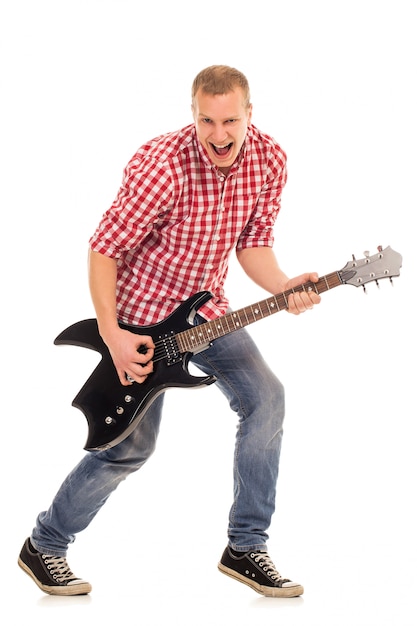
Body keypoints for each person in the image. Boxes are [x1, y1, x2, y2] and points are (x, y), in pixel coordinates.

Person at [18, 65, 321, 598]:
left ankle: (246, 546)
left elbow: (253, 245)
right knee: (126, 449)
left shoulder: (270, 159)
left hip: (205, 314)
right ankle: (45, 545)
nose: (219, 134)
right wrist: (113, 334)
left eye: (230, 120)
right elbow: (103, 249)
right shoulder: (163, 167)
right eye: (207, 120)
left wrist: (284, 286)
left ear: (250, 114)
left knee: (267, 399)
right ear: (194, 114)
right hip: (138, 322)